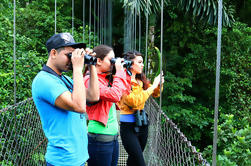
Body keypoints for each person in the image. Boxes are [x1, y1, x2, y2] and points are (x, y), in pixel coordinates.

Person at [32, 32, 99, 166]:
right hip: (63, 160)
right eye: (69, 55)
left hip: (78, 157)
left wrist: (91, 65)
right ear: (53, 53)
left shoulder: (64, 79)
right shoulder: (44, 81)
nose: (72, 59)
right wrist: (78, 68)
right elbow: (79, 107)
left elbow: (93, 96)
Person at [83, 44, 131, 166]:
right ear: (98, 61)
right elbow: (114, 95)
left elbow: (125, 92)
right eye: (111, 60)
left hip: (112, 137)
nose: (113, 63)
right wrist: (119, 71)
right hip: (100, 138)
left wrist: (124, 71)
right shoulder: (89, 80)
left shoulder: (105, 78)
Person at [117, 51, 164, 166]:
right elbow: (134, 101)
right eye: (139, 62)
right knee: (139, 161)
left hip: (142, 123)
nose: (142, 65)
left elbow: (155, 94)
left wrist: (158, 85)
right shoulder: (123, 81)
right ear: (130, 64)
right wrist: (153, 86)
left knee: (134, 160)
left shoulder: (140, 80)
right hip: (128, 127)